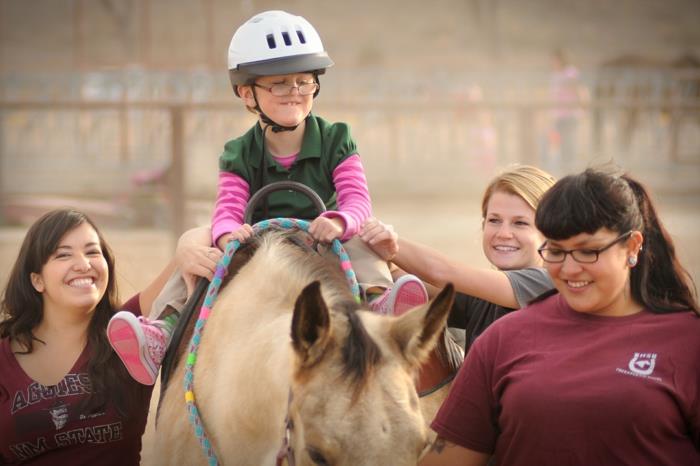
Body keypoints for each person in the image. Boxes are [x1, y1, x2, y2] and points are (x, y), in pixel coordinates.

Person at [106, 10, 427, 386]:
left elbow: (357, 199)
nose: (294, 92)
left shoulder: (337, 138)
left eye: (304, 81)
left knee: (363, 237)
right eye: (279, 84)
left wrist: (339, 221)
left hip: (324, 237)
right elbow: (227, 207)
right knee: (198, 256)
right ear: (247, 92)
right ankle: (162, 330)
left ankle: (379, 301)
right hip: (261, 240)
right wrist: (227, 235)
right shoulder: (238, 152)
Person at [421, 168, 700, 466]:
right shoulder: (501, 339)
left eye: (587, 252)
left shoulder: (688, 343)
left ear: (632, 246)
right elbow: (450, 456)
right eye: (556, 251)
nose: (568, 270)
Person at [0, 209, 218, 465]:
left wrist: (185, 245)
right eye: (63, 254)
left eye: (93, 252)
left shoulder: (129, 331)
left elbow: (209, 232)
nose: (84, 264)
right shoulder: (4, 355)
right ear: (37, 280)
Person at [361, 165, 556, 351]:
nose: (504, 233)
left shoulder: (548, 284)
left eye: (520, 223)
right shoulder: (482, 298)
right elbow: (413, 286)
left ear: (550, 235)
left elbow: (441, 272)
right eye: (494, 220)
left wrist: (388, 243)